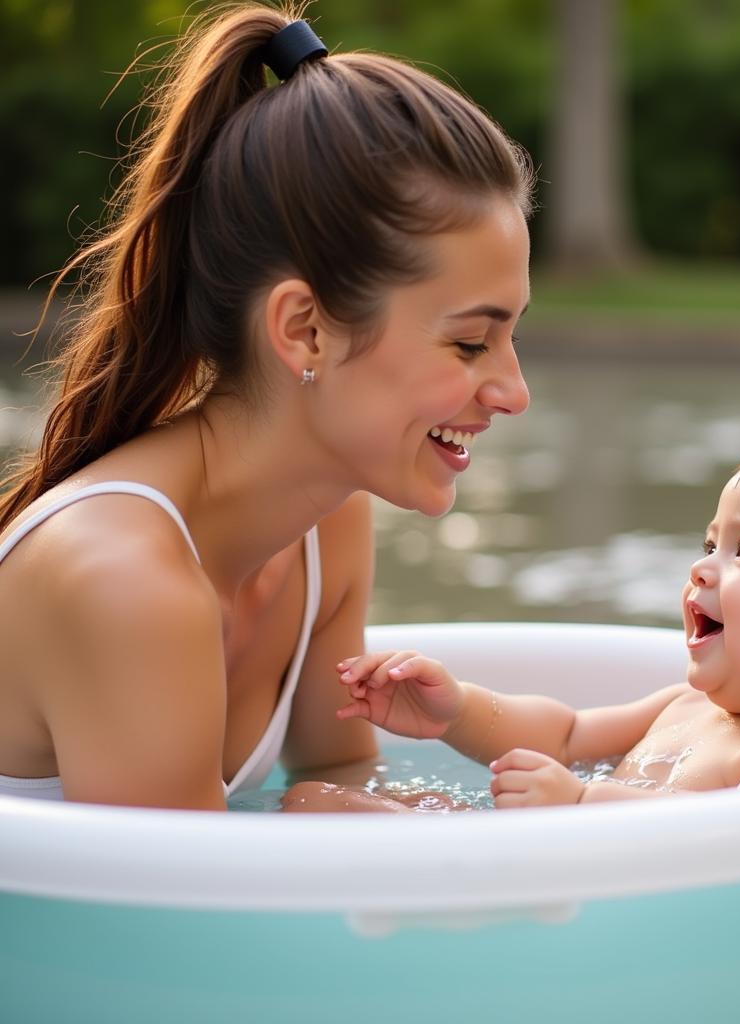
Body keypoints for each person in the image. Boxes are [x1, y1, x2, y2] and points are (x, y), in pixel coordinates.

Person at [0, 6, 534, 808]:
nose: (513, 392)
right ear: (305, 329)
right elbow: (182, 925)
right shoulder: (128, 583)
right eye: (469, 344)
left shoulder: (326, 529)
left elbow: (341, 776)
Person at [283, 431, 740, 812]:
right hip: (543, 855)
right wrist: (456, 709)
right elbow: (562, 735)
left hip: (591, 899)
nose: (703, 567)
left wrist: (584, 802)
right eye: (709, 542)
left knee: (321, 811)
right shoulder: (688, 705)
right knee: (313, 801)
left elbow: (729, 846)